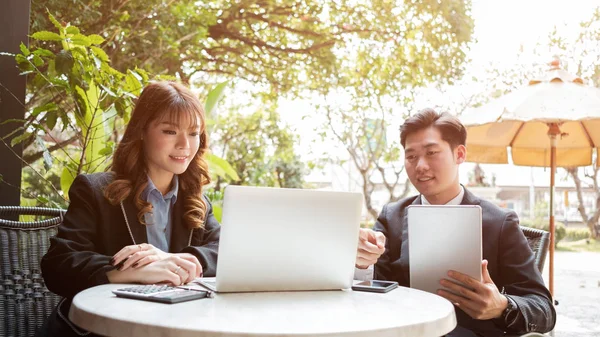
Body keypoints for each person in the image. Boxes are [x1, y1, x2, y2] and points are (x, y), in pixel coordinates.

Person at [38, 81, 221, 337]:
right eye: (169, 131)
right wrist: (134, 271)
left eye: (193, 133)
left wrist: (183, 260)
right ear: (142, 131)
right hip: (102, 331)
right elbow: (59, 265)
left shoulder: (196, 201)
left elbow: (224, 252)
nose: (185, 145)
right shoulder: (95, 190)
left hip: (172, 328)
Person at [355, 108, 556, 337]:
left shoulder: (500, 223)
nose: (420, 165)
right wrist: (363, 262)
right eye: (411, 156)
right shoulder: (392, 216)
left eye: (431, 152)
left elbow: (543, 309)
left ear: (459, 154)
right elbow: (371, 289)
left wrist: (502, 306)